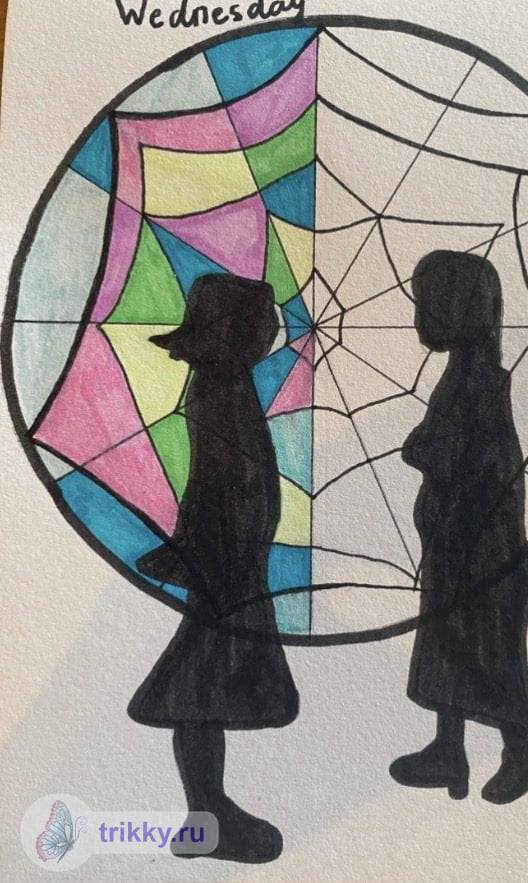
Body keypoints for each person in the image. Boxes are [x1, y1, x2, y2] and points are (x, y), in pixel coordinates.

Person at [128, 274, 299, 862]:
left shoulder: (226, 385)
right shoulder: (219, 392)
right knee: (200, 687)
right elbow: (217, 483)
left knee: (206, 687)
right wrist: (193, 549)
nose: (271, 332)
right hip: (225, 567)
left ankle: (207, 812)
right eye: (259, 324)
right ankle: (206, 815)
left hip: (231, 563)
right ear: (232, 332)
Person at [390, 251, 528, 805]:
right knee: (448, 645)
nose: (420, 319)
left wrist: (421, 448)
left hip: (483, 553)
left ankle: (520, 753)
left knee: (489, 653)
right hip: (455, 547)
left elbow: (477, 460)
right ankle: (448, 751)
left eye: (429, 307)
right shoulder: (462, 374)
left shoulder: (478, 380)